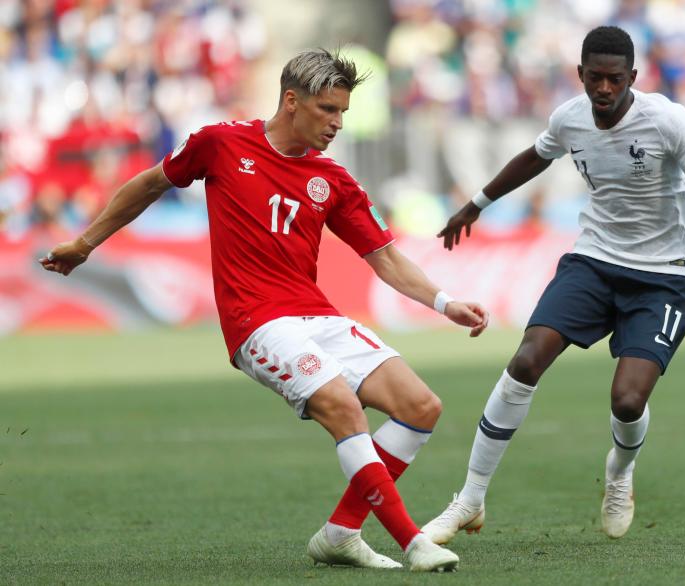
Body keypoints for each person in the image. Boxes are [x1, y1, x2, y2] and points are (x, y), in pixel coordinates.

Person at [40, 49, 490, 573]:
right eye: (327, 110)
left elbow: (384, 256)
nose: (337, 123)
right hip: (255, 322)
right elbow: (150, 184)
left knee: (420, 406)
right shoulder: (222, 143)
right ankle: (413, 542)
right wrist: (86, 242)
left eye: (342, 111)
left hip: (316, 315)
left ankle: (341, 533)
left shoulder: (333, 180)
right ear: (291, 101)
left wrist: (444, 302)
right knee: (342, 406)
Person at [422, 26, 685, 543]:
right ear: (580, 74)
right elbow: (536, 156)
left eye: (614, 79)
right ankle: (469, 499)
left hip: (664, 277)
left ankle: (619, 473)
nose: (603, 89)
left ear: (632, 78)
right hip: (593, 262)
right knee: (526, 359)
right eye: (594, 77)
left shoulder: (668, 121)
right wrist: (475, 204)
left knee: (627, 402)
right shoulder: (570, 118)